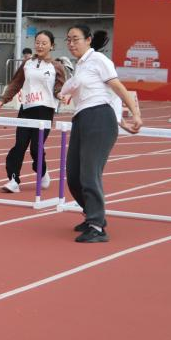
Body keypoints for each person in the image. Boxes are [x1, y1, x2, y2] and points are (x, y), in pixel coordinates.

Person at [58, 26, 141, 243]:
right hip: (81, 119)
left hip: (99, 119)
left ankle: (97, 226)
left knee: (89, 174)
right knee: (73, 175)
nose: (71, 43)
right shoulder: (80, 66)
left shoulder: (99, 60)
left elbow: (118, 89)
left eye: (76, 39)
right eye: (68, 40)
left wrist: (135, 115)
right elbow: (103, 94)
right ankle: (92, 215)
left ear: (88, 40)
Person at [0, 30, 66, 193]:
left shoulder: (56, 66)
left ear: (52, 46)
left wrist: (59, 94)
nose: (40, 46)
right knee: (19, 146)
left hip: (45, 111)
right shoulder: (27, 63)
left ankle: (42, 171)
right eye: (37, 42)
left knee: (36, 148)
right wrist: (4, 98)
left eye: (44, 43)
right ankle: (13, 180)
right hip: (26, 109)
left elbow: (59, 86)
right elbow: (16, 83)